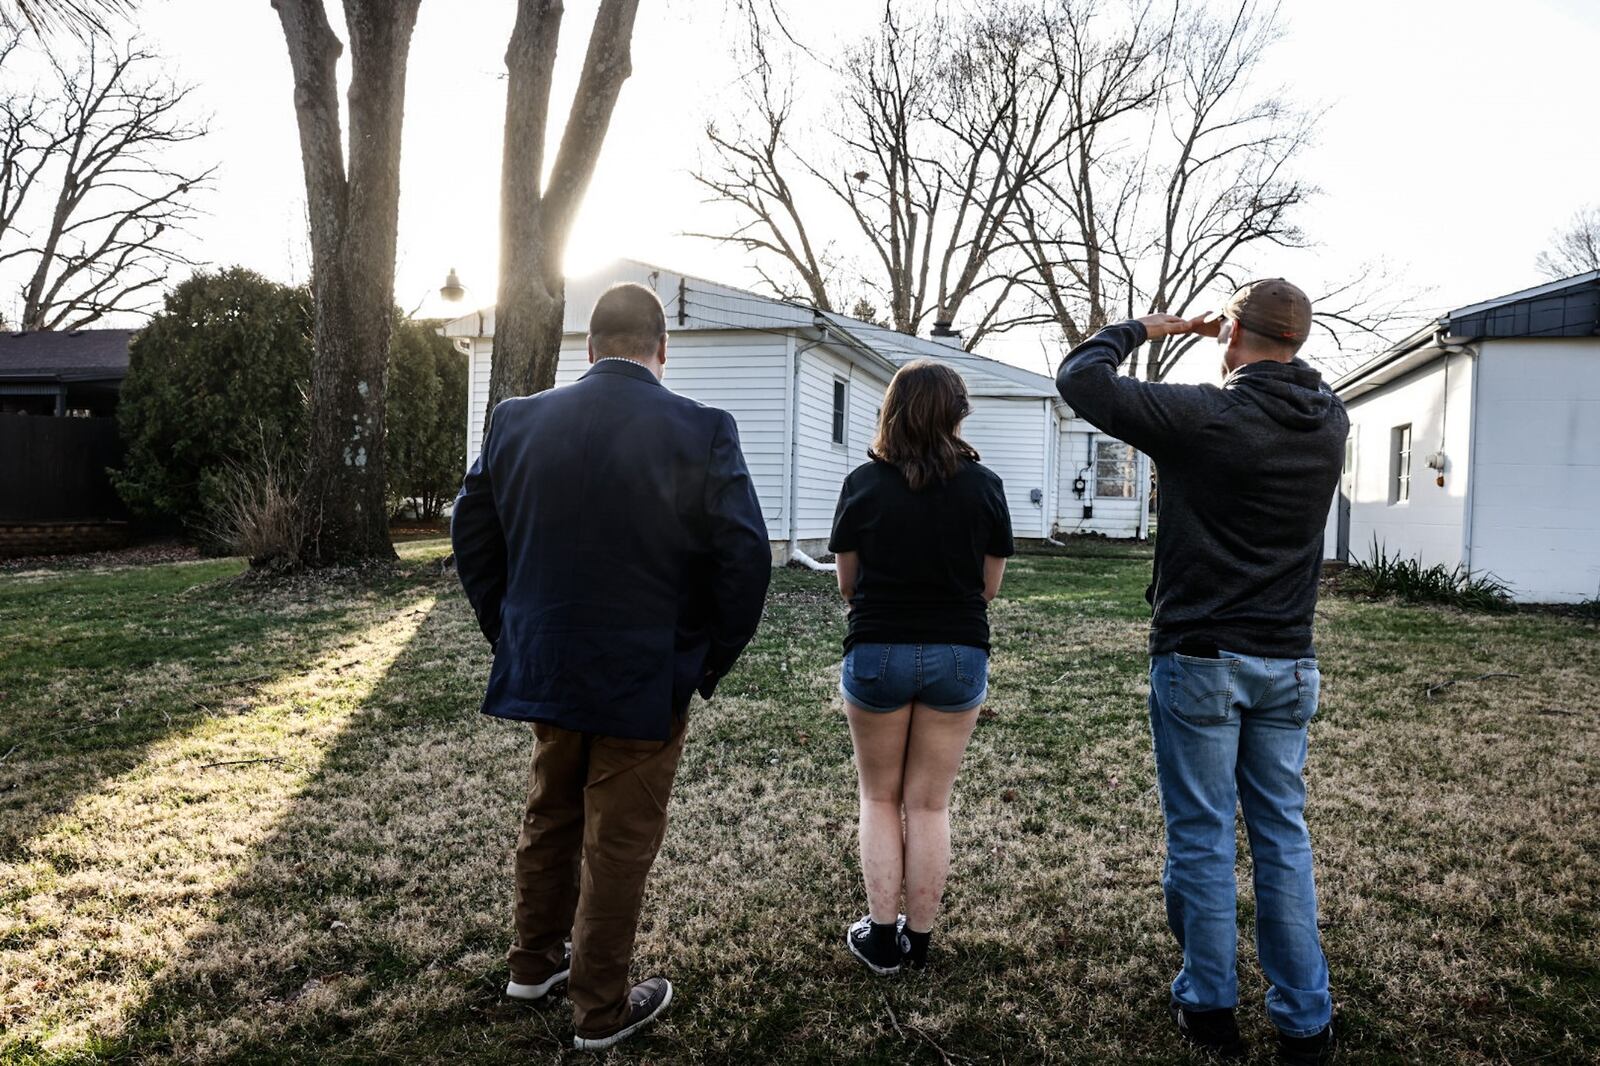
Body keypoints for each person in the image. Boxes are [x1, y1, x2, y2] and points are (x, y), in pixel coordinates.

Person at [451, 282, 771, 1051]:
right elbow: (746, 561)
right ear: (663, 351)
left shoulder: (515, 420)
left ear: (588, 350)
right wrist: (702, 662)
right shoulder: (703, 430)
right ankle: (599, 1010)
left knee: (550, 814)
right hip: (644, 676)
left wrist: (510, 631)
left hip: (547, 664)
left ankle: (532, 964)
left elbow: (473, 535)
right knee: (618, 842)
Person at [1056, 279, 1346, 1065]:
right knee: (1282, 837)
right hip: (1288, 660)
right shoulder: (1331, 421)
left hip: (1200, 658)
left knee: (1204, 834)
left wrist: (1150, 327)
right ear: (1300, 341)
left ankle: (1211, 1005)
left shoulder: (1208, 414)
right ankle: (1305, 1020)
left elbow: (1080, 378)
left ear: (1234, 335)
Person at [827, 359, 1013, 975]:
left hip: (877, 650)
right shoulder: (984, 486)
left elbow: (848, 585)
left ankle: (882, 941)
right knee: (929, 805)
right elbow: (987, 589)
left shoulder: (862, 483)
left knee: (880, 798)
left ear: (893, 409)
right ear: (957, 414)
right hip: (959, 653)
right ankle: (922, 943)